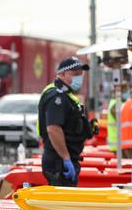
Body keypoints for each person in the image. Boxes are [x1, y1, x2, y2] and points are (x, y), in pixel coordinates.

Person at [37, 57, 94, 186]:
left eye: (80, 74)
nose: (79, 77)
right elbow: (54, 129)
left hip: (63, 158)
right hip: (59, 160)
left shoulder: (67, 95)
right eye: (75, 74)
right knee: (61, 202)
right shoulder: (57, 96)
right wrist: (66, 158)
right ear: (61, 74)